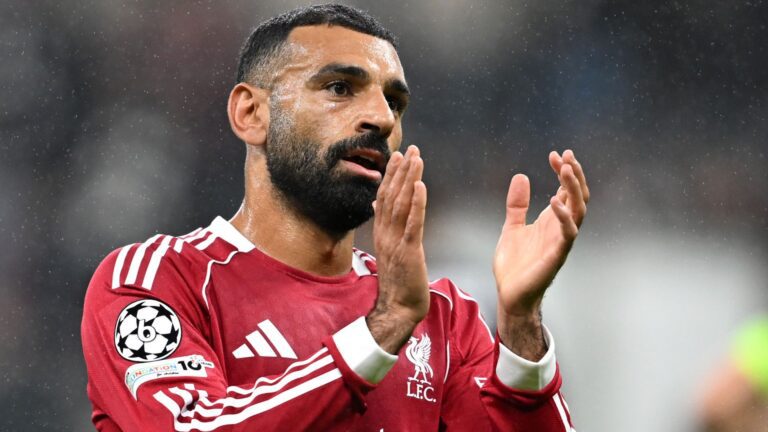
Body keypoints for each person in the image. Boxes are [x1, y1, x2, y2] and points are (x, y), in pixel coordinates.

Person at [81, 4, 588, 431]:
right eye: (340, 88)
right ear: (251, 114)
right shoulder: (156, 282)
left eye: (394, 101)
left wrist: (521, 327)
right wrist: (384, 327)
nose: (381, 118)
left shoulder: (441, 316)